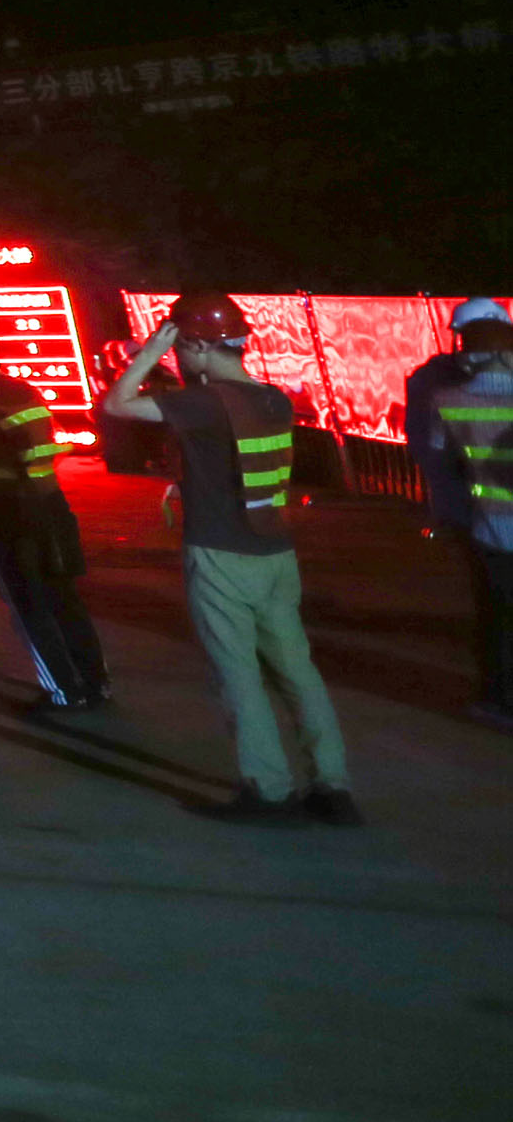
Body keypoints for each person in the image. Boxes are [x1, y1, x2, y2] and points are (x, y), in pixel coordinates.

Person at [101, 292, 358, 824]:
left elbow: (117, 404)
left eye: (180, 346)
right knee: (298, 672)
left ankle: (268, 791)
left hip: (221, 554)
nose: (177, 357)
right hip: (275, 553)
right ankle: (332, 787)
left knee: (238, 676)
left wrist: (147, 354)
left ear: (197, 345)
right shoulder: (274, 399)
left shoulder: (202, 404)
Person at [0, 312, 108, 712]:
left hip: (1, 515)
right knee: (64, 598)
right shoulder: (27, 391)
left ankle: (64, 691)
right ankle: (96, 683)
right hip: (51, 507)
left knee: (28, 605)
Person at [407, 297, 513, 733]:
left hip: (487, 529)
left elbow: (433, 455)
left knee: (496, 617)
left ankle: (498, 700)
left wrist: (448, 513)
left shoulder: (442, 394)